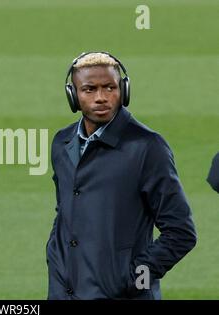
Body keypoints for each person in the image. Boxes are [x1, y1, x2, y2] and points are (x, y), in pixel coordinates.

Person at [46, 52, 197, 300]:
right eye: (89, 89)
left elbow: (181, 232)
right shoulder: (62, 143)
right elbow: (65, 212)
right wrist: (55, 260)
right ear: (72, 95)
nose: (101, 97)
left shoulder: (148, 147)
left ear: (123, 90)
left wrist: (135, 281)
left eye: (109, 87)